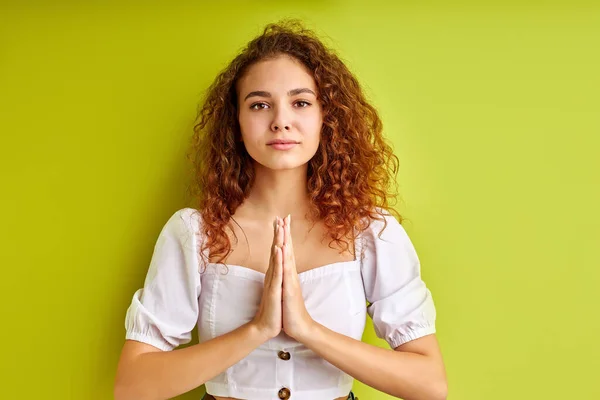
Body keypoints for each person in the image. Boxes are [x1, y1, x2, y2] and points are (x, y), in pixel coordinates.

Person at [114, 19, 447, 400]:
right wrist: (257, 329)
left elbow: (429, 384)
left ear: (327, 117)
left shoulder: (372, 232)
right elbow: (132, 387)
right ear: (236, 122)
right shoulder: (194, 233)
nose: (281, 121)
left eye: (301, 102)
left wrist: (307, 329)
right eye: (259, 104)